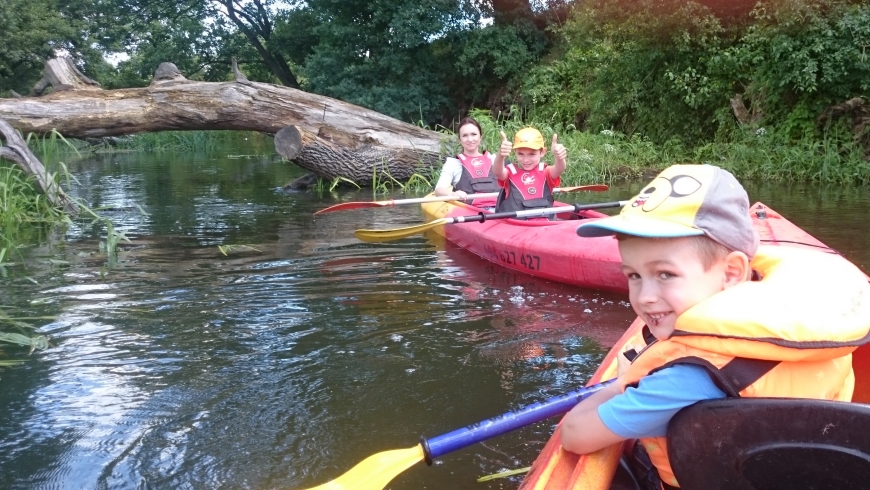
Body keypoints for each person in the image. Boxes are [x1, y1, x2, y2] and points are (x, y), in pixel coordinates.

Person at [561, 164, 870, 489]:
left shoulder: (683, 379)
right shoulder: (817, 320)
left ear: (732, 273)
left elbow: (575, 435)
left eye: (665, 274)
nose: (645, 297)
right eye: (633, 276)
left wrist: (620, 384)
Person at [491, 127, 567, 215]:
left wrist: (559, 158)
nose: (526, 160)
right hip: (517, 225)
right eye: (520, 154)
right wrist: (500, 155)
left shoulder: (546, 172)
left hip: (545, 224)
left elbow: (559, 168)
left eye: (532, 154)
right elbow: (498, 172)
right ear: (515, 152)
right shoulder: (509, 172)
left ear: (542, 152)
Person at [434, 117, 500, 205]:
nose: (470, 139)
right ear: (460, 140)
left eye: (474, 134)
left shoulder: (494, 159)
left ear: (480, 137)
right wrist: (452, 194)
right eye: (465, 135)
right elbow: (439, 190)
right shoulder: (453, 163)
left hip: (498, 211)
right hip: (469, 212)